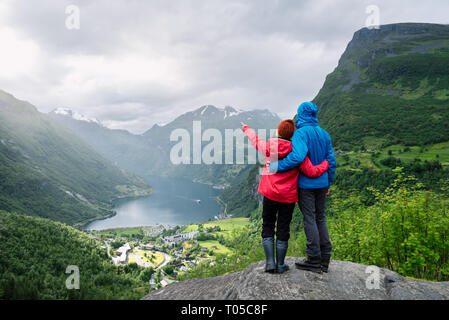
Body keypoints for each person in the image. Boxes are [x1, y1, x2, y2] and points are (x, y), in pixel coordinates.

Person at [241, 119, 329, 273]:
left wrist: (246, 128)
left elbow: (256, 141)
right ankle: (280, 264)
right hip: (287, 197)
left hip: (269, 194)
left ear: (278, 131)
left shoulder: (270, 147)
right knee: (283, 228)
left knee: (267, 225)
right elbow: (311, 171)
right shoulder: (297, 151)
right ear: (292, 134)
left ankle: (270, 263)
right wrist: (325, 164)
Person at [269, 102, 336, 273]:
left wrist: (277, 166)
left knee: (310, 218)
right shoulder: (325, 134)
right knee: (320, 218)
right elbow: (331, 162)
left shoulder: (300, 134)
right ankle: (325, 259)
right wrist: (328, 183)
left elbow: (298, 157)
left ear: (301, 114)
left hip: (306, 185)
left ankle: (313, 258)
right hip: (322, 184)